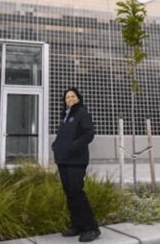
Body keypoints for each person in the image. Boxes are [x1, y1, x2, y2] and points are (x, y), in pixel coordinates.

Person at [52, 88, 101, 242]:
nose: (70, 99)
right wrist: (56, 146)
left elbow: (89, 134)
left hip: (76, 160)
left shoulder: (82, 113)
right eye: (67, 97)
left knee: (76, 192)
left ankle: (92, 228)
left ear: (78, 98)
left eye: (73, 96)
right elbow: (62, 136)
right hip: (63, 160)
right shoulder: (65, 116)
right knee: (70, 194)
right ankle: (77, 225)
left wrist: (72, 146)